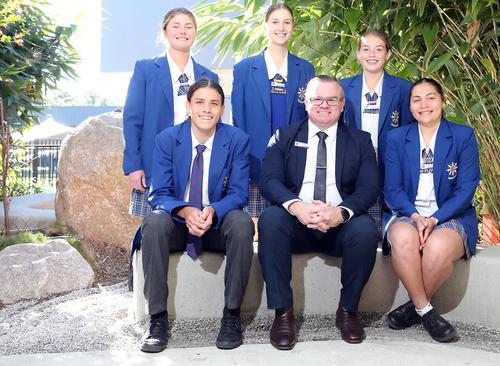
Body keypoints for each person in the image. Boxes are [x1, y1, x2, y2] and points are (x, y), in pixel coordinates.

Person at [257, 75, 379, 350]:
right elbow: (269, 180)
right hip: (296, 223)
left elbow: (369, 187)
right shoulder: (284, 136)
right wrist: (297, 206)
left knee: (366, 229)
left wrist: (340, 213)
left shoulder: (360, 140)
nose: (324, 105)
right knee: (271, 219)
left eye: (331, 100)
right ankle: (282, 313)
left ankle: (348, 310)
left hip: (339, 225)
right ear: (305, 102)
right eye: (317, 99)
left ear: (342, 104)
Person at [139, 78, 254, 353]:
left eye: (214, 103)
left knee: (241, 223)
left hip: (216, 223)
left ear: (222, 109)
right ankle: (157, 320)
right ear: (188, 106)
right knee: (153, 221)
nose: (207, 109)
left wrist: (212, 211)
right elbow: (159, 193)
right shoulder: (168, 139)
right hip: (178, 223)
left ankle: (231, 316)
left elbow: (239, 193)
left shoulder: (236, 140)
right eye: (199, 102)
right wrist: (186, 210)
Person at [382, 78, 480, 342]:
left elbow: (467, 188)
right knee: (402, 239)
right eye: (416, 99)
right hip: (407, 213)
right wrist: (416, 217)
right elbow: (392, 188)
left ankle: (412, 309)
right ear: (410, 106)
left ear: (443, 101)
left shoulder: (462, 136)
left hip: (451, 215)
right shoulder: (397, 138)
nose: (424, 104)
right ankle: (426, 310)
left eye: (431, 97)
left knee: (436, 248)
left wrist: (435, 218)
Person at [123, 7, 219, 218]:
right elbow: (132, 120)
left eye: (188, 26)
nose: (182, 31)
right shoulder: (146, 70)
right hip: (155, 160)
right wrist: (133, 166)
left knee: (194, 220)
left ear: (195, 33)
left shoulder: (208, 75)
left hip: (198, 161)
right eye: (176, 26)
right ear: (165, 31)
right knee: (156, 225)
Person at [231, 3, 315, 219]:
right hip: (255, 161)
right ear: (265, 26)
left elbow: (309, 119)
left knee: (287, 227)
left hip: (294, 163)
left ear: (293, 27)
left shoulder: (305, 68)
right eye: (275, 22)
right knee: (255, 233)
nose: (281, 27)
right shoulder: (244, 69)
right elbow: (239, 120)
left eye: (287, 22)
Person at [340, 29, 413, 238]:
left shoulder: (402, 88)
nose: (372, 55)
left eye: (378, 49)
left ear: (388, 54)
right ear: (358, 54)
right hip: (355, 163)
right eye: (366, 49)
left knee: (388, 227)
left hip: (390, 163)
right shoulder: (344, 86)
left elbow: (409, 130)